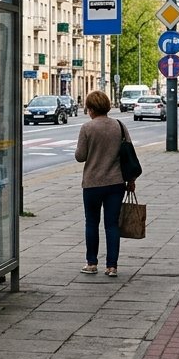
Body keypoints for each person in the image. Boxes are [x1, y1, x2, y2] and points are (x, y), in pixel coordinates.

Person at [74, 90, 135, 277]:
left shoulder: (87, 128)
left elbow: (80, 156)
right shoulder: (120, 126)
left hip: (92, 184)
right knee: (112, 225)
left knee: (92, 223)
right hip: (116, 183)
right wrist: (130, 180)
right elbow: (129, 156)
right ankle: (112, 267)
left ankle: (92, 263)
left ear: (91, 109)